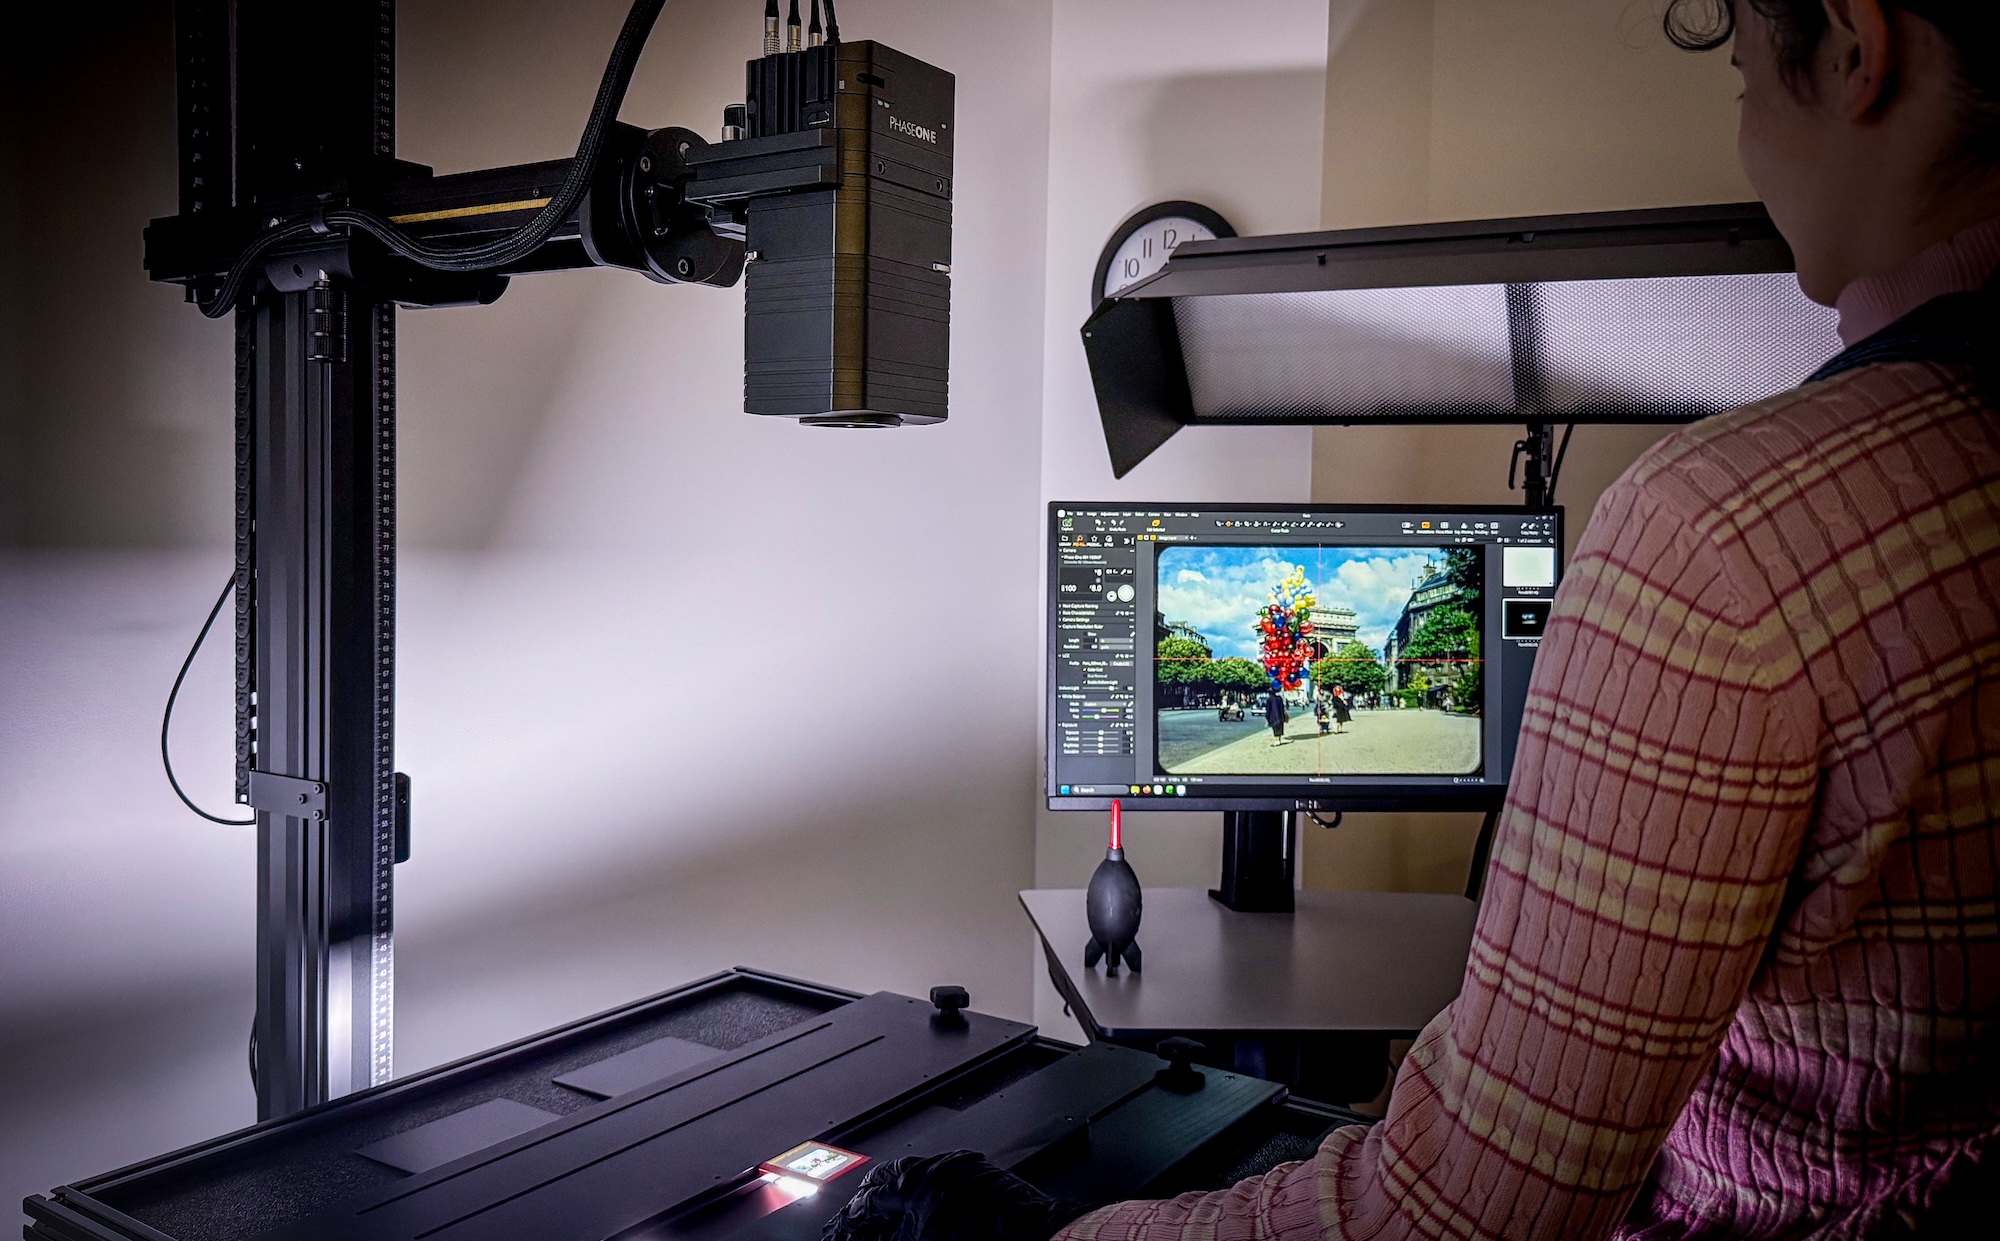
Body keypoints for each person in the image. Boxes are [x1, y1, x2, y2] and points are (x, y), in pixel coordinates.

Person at [826, 1, 2000, 1236]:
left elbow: (1461, 1213)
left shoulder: (1721, 536)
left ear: (1858, 50)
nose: (1746, 130)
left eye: (1745, 73)